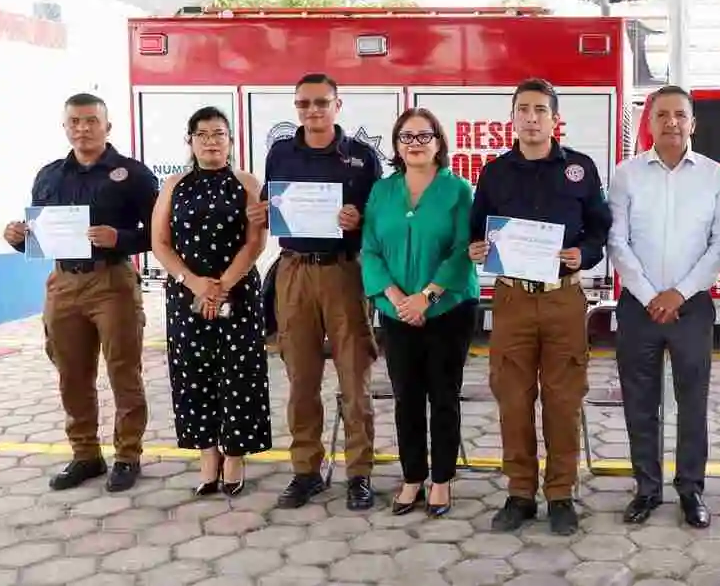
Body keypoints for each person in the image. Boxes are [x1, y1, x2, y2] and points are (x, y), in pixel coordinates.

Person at [468, 77, 613, 536]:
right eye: (523, 110)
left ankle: (561, 493)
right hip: (511, 297)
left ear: (555, 118)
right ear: (512, 117)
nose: (531, 118)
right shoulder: (495, 172)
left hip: (563, 298)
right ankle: (519, 493)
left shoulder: (580, 169)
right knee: (513, 398)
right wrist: (477, 248)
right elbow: (477, 230)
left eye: (540, 110)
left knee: (563, 399)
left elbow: (599, 229)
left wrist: (583, 255)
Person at [2, 93, 158, 493]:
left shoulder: (133, 174)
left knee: (123, 371)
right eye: (75, 121)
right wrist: (19, 238)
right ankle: (85, 454)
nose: (83, 128)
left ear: (108, 126)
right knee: (71, 374)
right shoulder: (50, 175)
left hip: (112, 282)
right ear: (65, 126)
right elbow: (40, 237)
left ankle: (127, 455)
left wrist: (119, 237)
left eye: (91, 121)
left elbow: (159, 235)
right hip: (63, 284)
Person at [247, 73, 383, 510]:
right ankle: (306, 471)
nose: (313, 111)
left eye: (321, 103)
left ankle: (359, 475)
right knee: (300, 380)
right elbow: (274, 209)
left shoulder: (362, 158)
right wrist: (264, 212)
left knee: (354, 381)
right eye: (304, 104)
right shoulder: (281, 153)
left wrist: (358, 220)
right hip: (294, 272)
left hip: (345, 273)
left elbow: (379, 220)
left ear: (337, 106)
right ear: (296, 108)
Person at [606, 85, 720, 528]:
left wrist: (679, 293)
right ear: (650, 122)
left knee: (692, 402)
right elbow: (617, 242)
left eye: (680, 115)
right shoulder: (626, 174)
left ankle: (691, 490)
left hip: (692, 306)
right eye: (662, 115)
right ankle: (646, 489)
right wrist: (649, 295)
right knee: (640, 402)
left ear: (693, 123)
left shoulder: (714, 176)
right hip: (638, 307)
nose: (672, 122)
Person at [361, 107, 479, 518]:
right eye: (406, 137)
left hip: (447, 310)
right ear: (396, 145)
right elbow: (370, 250)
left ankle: (442, 481)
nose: (415, 144)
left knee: (444, 397)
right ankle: (412, 477)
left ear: (438, 142)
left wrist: (426, 297)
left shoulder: (458, 190)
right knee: (406, 398)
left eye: (423, 136)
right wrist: (397, 299)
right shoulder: (382, 191)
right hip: (396, 314)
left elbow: (464, 249)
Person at [150, 106, 271, 497]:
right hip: (187, 294)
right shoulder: (174, 185)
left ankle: (235, 455)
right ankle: (207, 453)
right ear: (190, 141)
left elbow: (255, 243)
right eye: (201, 135)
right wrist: (194, 284)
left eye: (219, 134)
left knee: (239, 373)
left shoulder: (248, 182)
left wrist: (220, 287)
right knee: (193, 374)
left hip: (238, 292)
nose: (210, 141)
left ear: (231, 140)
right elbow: (160, 243)